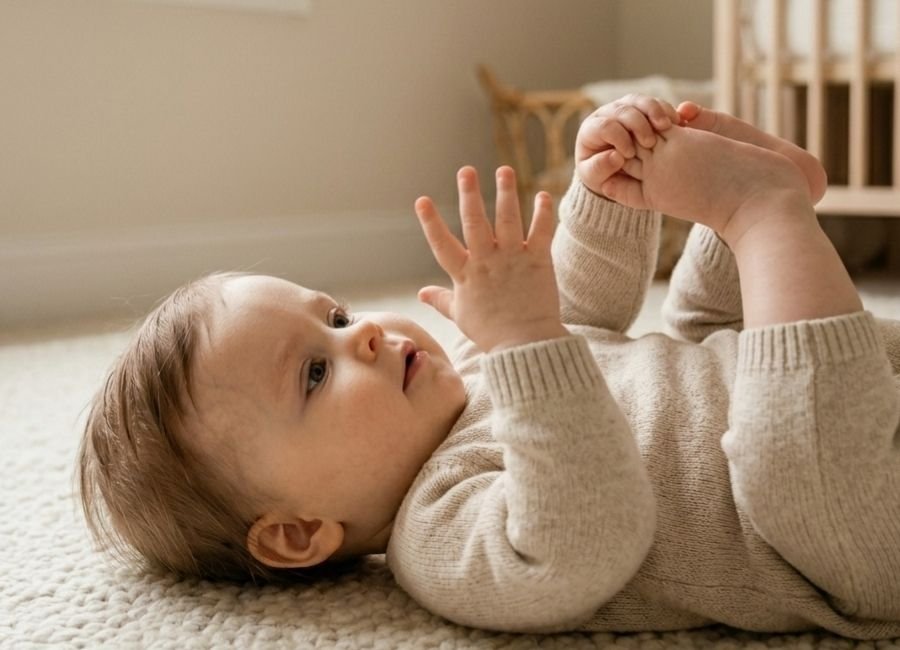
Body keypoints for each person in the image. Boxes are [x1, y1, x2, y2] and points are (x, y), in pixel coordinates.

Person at [78, 94, 900, 639]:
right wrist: (525, 344)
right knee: (782, 456)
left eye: (335, 315)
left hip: (853, 387)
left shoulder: (467, 372)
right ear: (297, 534)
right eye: (316, 374)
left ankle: (752, 214)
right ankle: (763, 213)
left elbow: (577, 310)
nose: (360, 335)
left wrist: (609, 190)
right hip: (850, 534)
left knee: (698, 332)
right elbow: (594, 531)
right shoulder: (439, 539)